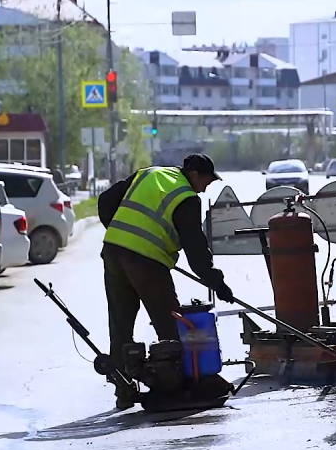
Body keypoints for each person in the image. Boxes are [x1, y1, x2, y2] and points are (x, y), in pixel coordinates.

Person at [98, 153, 235, 409]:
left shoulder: (150, 173)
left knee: (120, 323)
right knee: (170, 321)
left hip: (113, 251)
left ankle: (124, 390)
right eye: (206, 181)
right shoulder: (186, 198)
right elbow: (195, 248)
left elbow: (106, 201)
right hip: (146, 262)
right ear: (194, 174)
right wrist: (216, 281)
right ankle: (177, 385)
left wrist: (121, 236)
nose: (206, 188)